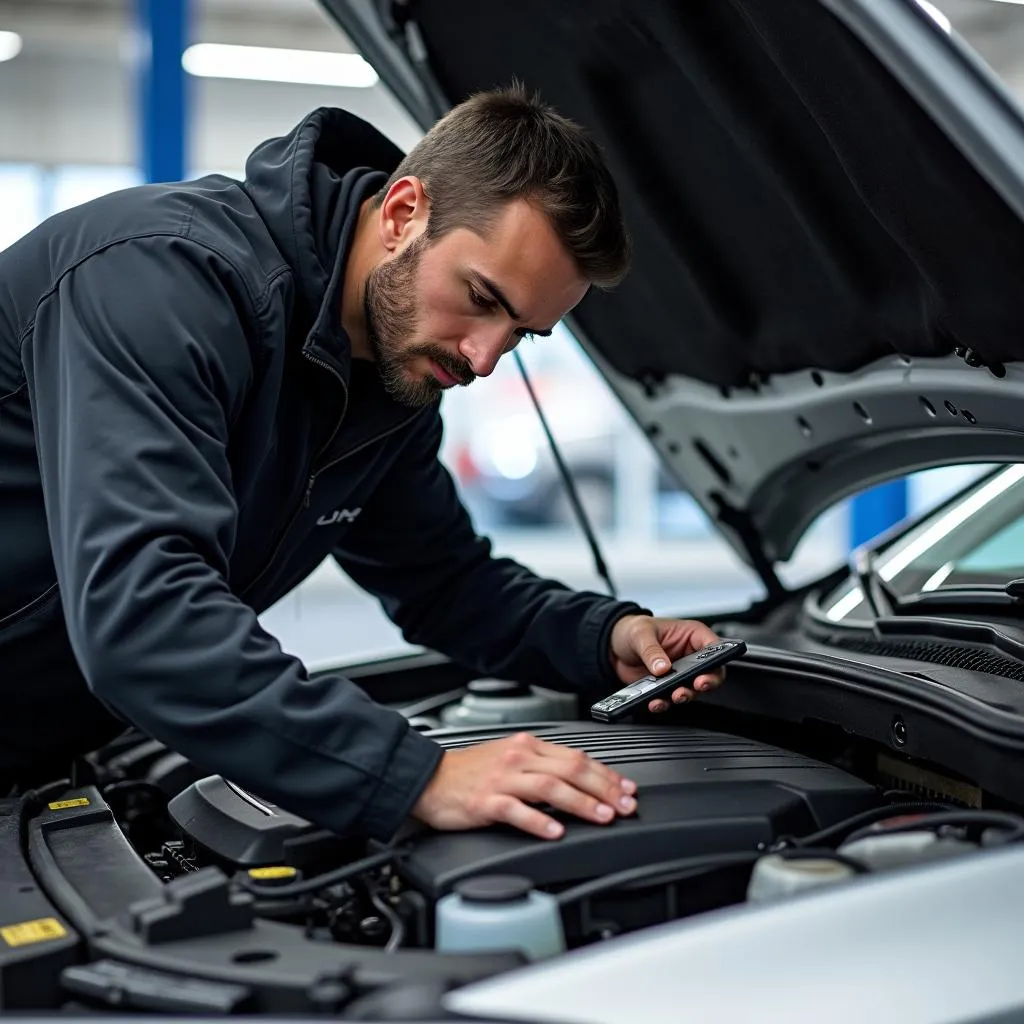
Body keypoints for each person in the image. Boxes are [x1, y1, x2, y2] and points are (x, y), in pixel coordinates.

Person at [0, 85, 724, 841]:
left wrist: (603, 638)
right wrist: (418, 776)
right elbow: (143, 617)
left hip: (43, 759)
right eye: (480, 296)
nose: (483, 358)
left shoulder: (389, 378)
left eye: (521, 334)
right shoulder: (162, 283)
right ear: (405, 212)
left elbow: (442, 583)